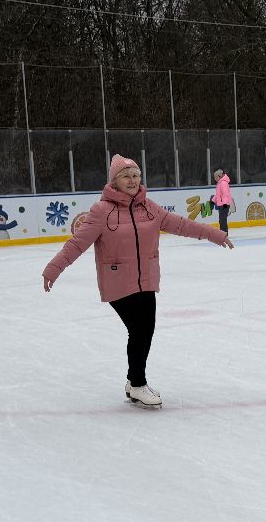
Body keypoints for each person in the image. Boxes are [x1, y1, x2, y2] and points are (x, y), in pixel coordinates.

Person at [42, 155, 234, 408]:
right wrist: (53, 268)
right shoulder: (101, 211)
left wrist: (215, 235)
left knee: (144, 330)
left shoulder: (149, 207)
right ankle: (137, 384)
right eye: (126, 176)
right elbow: (77, 243)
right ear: (115, 181)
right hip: (117, 281)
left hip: (147, 280)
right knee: (140, 329)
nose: (132, 180)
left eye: (136, 175)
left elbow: (181, 224)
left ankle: (134, 383)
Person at [212, 168, 233, 233]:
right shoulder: (219, 183)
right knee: (221, 220)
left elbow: (225, 194)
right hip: (221, 204)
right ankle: (222, 233)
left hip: (224, 204)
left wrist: (224, 204)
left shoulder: (223, 183)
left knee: (222, 220)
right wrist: (213, 200)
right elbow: (218, 194)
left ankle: (224, 233)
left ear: (219, 176)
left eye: (215, 177)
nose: (215, 179)